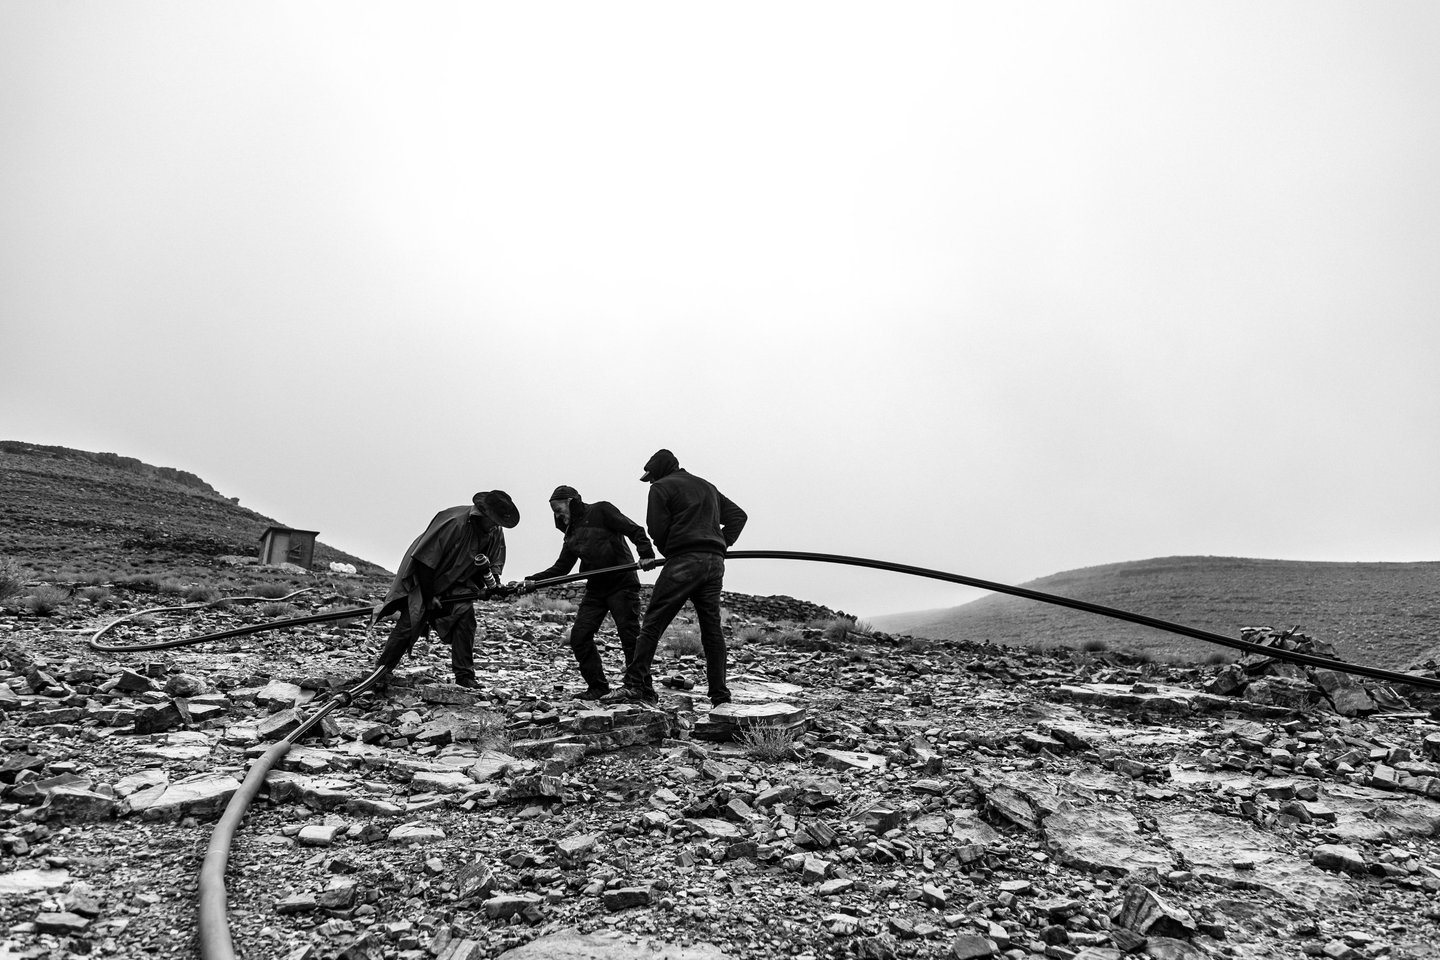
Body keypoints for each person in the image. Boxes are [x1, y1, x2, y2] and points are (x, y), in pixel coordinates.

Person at [603, 450, 746, 706]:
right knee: (712, 630)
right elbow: (738, 516)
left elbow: (656, 528)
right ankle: (720, 696)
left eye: (650, 477)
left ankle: (634, 685)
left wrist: (671, 549)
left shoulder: (661, 487)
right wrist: (721, 544)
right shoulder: (707, 486)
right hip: (714, 565)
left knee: (653, 623)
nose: (649, 482)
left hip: (684, 560)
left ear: (658, 470)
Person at [521, 485, 656, 700]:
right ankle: (597, 687)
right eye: (554, 512)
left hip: (622, 584)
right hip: (596, 588)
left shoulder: (601, 511)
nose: (557, 515)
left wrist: (646, 553)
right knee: (580, 637)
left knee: (629, 638)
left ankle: (643, 690)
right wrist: (532, 581)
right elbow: (561, 568)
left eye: (558, 509)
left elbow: (635, 530)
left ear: (572, 502)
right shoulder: (571, 534)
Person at [373, 490, 520, 688]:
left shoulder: (494, 530)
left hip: (458, 583)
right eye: (493, 520)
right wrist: (429, 596)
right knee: (411, 621)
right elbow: (425, 561)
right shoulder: (453, 522)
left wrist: (494, 584)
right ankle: (380, 673)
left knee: (465, 618)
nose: (495, 525)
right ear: (482, 514)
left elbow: (493, 562)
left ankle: (465, 677)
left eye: (498, 522)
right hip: (425, 579)